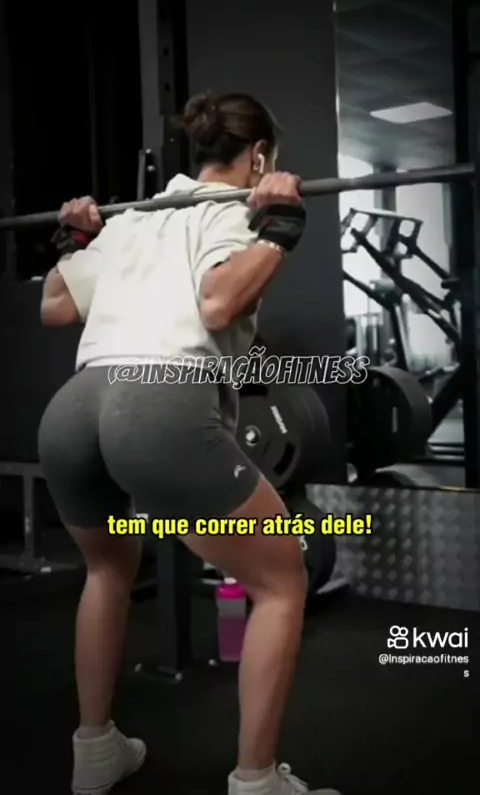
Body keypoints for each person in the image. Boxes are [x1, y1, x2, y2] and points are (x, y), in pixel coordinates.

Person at [38, 92, 340, 795]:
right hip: (157, 404)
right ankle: (257, 781)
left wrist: (74, 241)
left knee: (107, 571)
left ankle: (95, 750)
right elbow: (218, 302)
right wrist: (278, 229)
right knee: (282, 580)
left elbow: (56, 305)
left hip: (74, 409)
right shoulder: (233, 210)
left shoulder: (135, 217)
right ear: (259, 157)